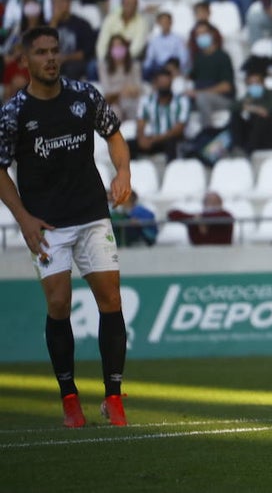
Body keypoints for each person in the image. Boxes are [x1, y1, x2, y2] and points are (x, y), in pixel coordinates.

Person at [0, 26, 132, 427]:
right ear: (25, 61)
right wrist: (23, 219)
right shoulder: (14, 112)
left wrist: (123, 170)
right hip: (47, 223)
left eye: (55, 50)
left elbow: (115, 135)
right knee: (58, 304)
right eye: (40, 52)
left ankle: (113, 396)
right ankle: (70, 398)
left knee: (110, 299)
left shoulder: (84, 95)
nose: (50, 58)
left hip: (92, 213)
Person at [130, 68, 191, 161]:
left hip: (172, 139)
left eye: (167, 82)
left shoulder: (182, 101)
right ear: (156, 84)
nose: (164, 85)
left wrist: (154, 139)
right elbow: (140, 123)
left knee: (171, 143)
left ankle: (172, 172)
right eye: (161, 82)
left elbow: (179, 129)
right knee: (128, 145)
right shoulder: (146, 101)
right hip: (154, 139)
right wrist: (141, 138)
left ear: (171, 83)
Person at [229, 62, 272, 155]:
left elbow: (264, 112)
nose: (254, 86)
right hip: (257, 139)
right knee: (235, 115)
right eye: (251, 83)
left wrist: (249, 107)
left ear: (263, 83)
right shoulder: (249, 97)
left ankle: (247, 152)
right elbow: (233, 107)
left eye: (257, 82)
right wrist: (245, 103)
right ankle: (236, 148)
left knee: (259, 118)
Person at [167, 192, 235, 246]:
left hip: (222, 252)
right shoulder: (195, 217)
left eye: (215, 201)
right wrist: (196, 219)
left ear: (220, 202)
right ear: (204, 203)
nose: (212, 203)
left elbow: (219, 217)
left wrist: (201, 220)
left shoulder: (226, 215)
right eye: (209, 201)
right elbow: (172, 214)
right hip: (198, 253)